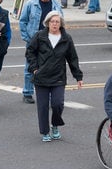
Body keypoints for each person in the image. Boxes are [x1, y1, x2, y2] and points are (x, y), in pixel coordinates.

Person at [26, 11, 83, 142]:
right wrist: (34, 68)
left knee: (58, 104)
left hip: (58, 77)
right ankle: (45, 132)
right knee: (43, 106)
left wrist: (78, 76)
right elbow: (30, 52)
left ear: (61, 24)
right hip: (41, 77)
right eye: (52, 21)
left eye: (57, 22)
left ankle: (55, 125)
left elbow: (72, 58)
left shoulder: (66, 38)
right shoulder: (40, 36)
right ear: (47, 23)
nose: (55, 24)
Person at [19, 0, 63, 104]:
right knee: (30, 67)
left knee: (49, 69)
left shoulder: (55, 4)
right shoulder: (31, 4)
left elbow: (61, 21)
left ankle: (49, 96)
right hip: (34, 40)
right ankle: (27, 92)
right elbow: (23, 21)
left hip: (50, 42)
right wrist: (28, 38)